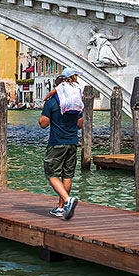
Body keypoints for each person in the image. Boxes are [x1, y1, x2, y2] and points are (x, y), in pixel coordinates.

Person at [38, 69, 84, 220]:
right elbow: (79, 124)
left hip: (57, 143)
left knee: (51, 174)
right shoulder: (76, 102)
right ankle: (59, 208)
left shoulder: (52, 102)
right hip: (72, 142)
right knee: (67, 175)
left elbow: (43, 124)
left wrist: (45, 109)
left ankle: (67, 200)